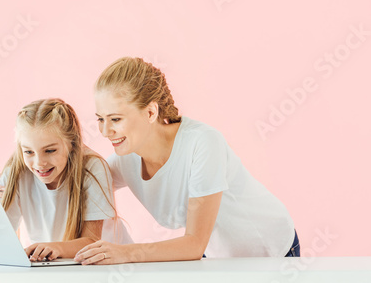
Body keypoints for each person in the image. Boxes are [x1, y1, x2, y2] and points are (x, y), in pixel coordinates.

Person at [73, 56, 299, 265]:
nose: (105, 131)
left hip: (273, 250)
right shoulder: (126, 159)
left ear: (151, 113)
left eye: (115, 119)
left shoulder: (202, 143)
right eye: (100, 119)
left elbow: (194, 244)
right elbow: (82, 185)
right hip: (221, 259)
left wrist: (124, 252)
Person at [0, 98, 131, 262]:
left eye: (50, 150)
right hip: (59, 265)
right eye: (29, 152)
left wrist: (54, 247)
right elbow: (1, 241)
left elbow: (92, 242)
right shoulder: (14, 173)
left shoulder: (92, 169)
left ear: (71, 144)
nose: (39, 163)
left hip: (106, 265)